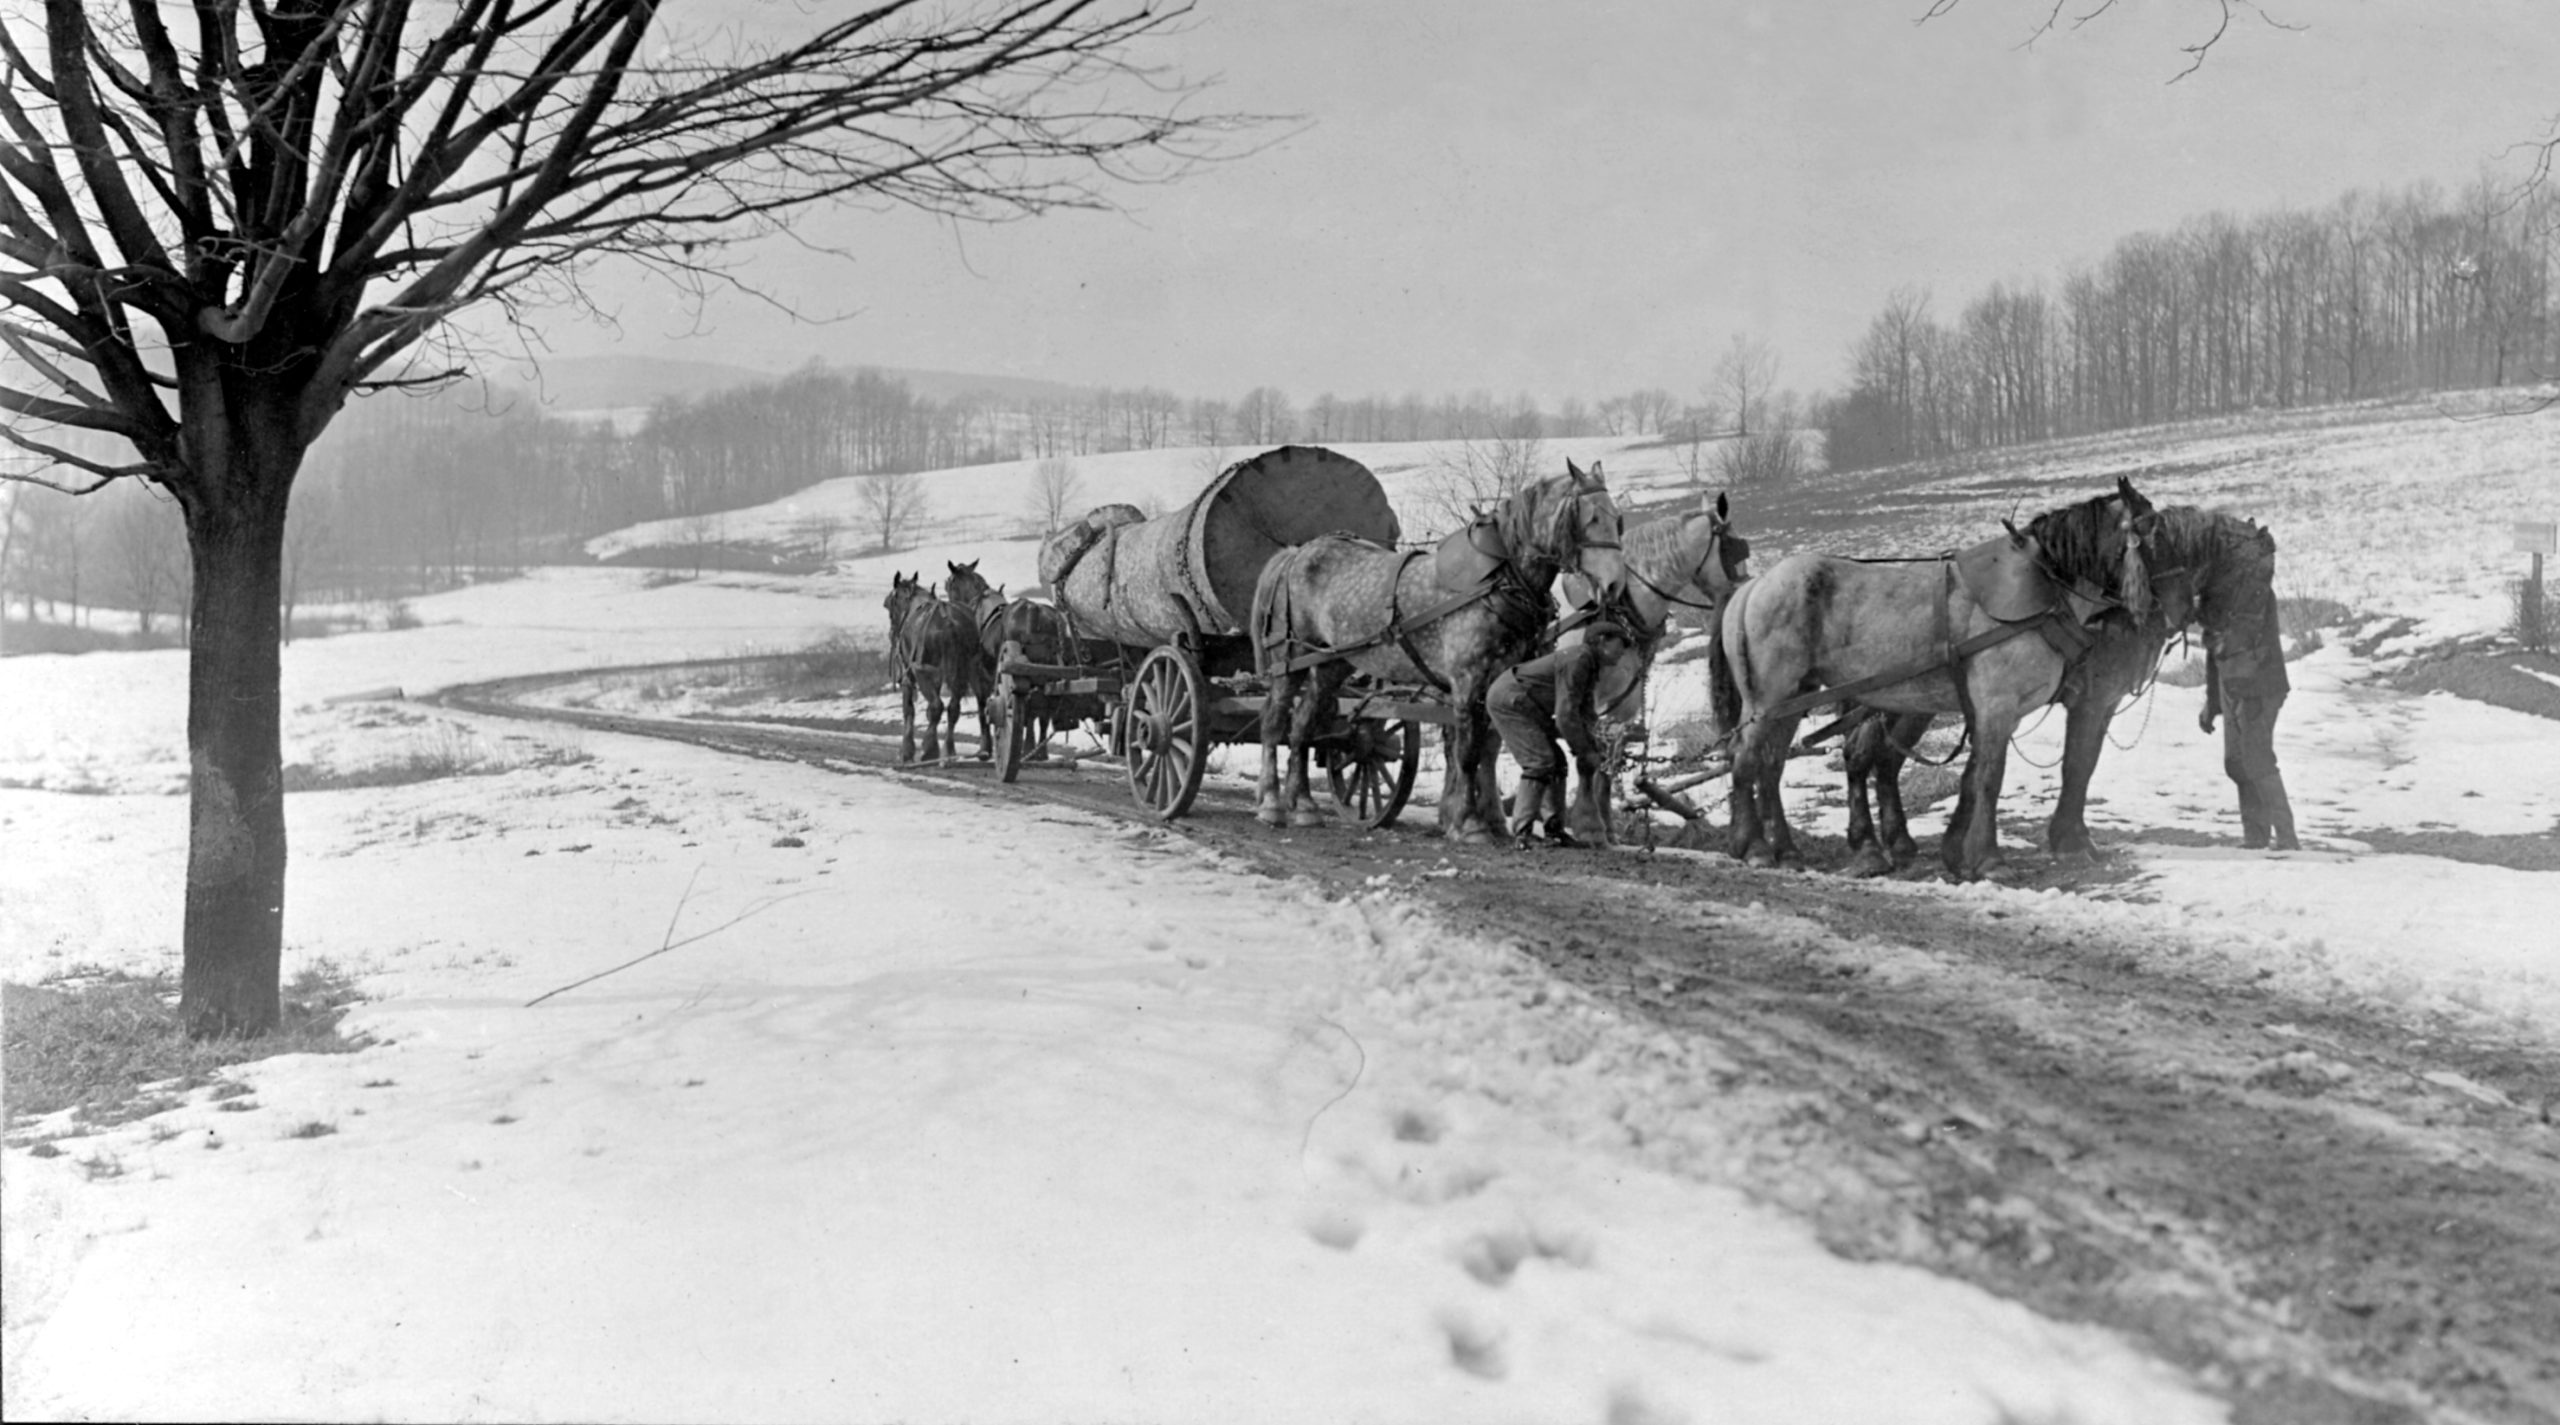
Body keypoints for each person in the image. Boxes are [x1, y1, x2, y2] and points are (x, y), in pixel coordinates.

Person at [1486, 618, 1636, 846]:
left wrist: (1594, 742)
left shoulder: (1589, 664)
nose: (1622, 652)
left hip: (1526, 702)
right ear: (1602, 642)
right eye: (1620, 644)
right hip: (1510, 699)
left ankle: (1554, 830)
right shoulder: (1579, 660)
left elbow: (1584, 712)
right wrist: (1584, 750)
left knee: (1557, 762)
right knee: (1539, 762)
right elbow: (1566, 715)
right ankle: (1522, 833)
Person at [2199, 533, 2300, 851]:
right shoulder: (2226, 594)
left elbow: (2231, 640)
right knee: (2236, 762)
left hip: (2259, 686)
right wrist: (2212, 702)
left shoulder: (2255, 593)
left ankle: (2286, 837)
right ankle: (2255, 837)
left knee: (2256, 759)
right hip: (2232, 685)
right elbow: (2214, 652)